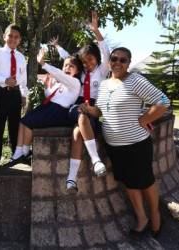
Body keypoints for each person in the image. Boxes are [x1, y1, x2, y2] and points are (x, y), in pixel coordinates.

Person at [80, 47, 170, 238]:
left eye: (123, 60)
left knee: (146, 182)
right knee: (130, 183)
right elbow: (100, 111)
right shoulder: (104, 84)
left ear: (129, 63)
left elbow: (163, 101)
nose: (118, 63)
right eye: (114, 59)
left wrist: (144, 120)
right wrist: (88, 110)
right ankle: (141, 219)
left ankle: (155, 215)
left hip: (137, 145)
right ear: (109, 61)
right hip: (114, 147)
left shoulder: (136, 81)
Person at [50, 12, 110, 192]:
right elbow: (68, 57)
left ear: (96, 58)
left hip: (92, 107)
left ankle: (71, 179)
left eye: (90, 59)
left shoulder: (102, 70)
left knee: (77, 133)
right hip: (76, 105)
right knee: (81, 116)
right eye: (84, 62)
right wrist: (59, 47)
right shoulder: (81, 71)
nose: (87, 64)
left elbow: (105, 50)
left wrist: (96, 31)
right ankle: (95, 159)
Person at [8, 48, 81, 164]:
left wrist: (43, 63)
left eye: (71, 66)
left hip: (58, 112)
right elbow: (50, 95)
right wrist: (47, 86)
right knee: (23, 121)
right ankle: (18, 151)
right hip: (49, 108)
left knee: (28, 122)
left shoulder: (75, 83)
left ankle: (24, 152)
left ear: (77, 70)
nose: (67, 68)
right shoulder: (61, 83)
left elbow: (58, 74)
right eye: (65, 65)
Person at [0, 24, 28, 166]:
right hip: (2, 93)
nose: (13, 39)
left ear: (19, 40)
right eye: (10, 36)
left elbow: (23, 80)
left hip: (15, 94)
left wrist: (23, 95)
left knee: (15, 126)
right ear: (4, 37)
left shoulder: (21, 57)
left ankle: (15, 157)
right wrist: (5, 80)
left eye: (16, 37)